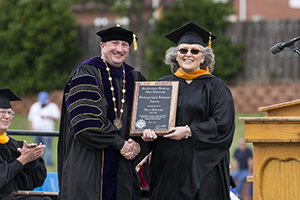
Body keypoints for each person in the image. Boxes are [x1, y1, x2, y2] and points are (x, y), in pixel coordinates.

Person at [142, 22, 235, 200]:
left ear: (204, 57)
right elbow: (149, 120)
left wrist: (189, 131)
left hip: (204, 168)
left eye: (195, 51)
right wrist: (146, 134)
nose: (188, 55)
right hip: (167, 166)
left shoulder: (216, 87)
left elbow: (223, 124)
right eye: (183, 50)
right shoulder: (161, 85)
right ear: (175, 56)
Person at [58, 25, 149, 200]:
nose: (119, 49)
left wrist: (138, 145)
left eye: (125, 45)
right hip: (89, 166)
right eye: (114, 43)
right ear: (103, 46)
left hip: (123, 171)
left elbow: (145, 120)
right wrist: (120, 144)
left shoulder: (135, 77)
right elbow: (86, 123)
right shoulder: (86, 72)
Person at [0, 88, 50, 200]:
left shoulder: (15, 145)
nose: (7, 117)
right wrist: (22, 160)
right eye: (2, 112)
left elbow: (36, 182)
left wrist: (33, 159)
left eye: (10, 113)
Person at [28, 91, 60, 167]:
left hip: (47, 131)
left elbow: (57, 117)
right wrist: (32, 130)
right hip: (36, 131)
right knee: (37, 148)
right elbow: (30, 118)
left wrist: (47, 116)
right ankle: (38, 163)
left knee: (47, 147)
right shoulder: (35, 106)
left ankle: (48, 164)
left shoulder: (52, 106)